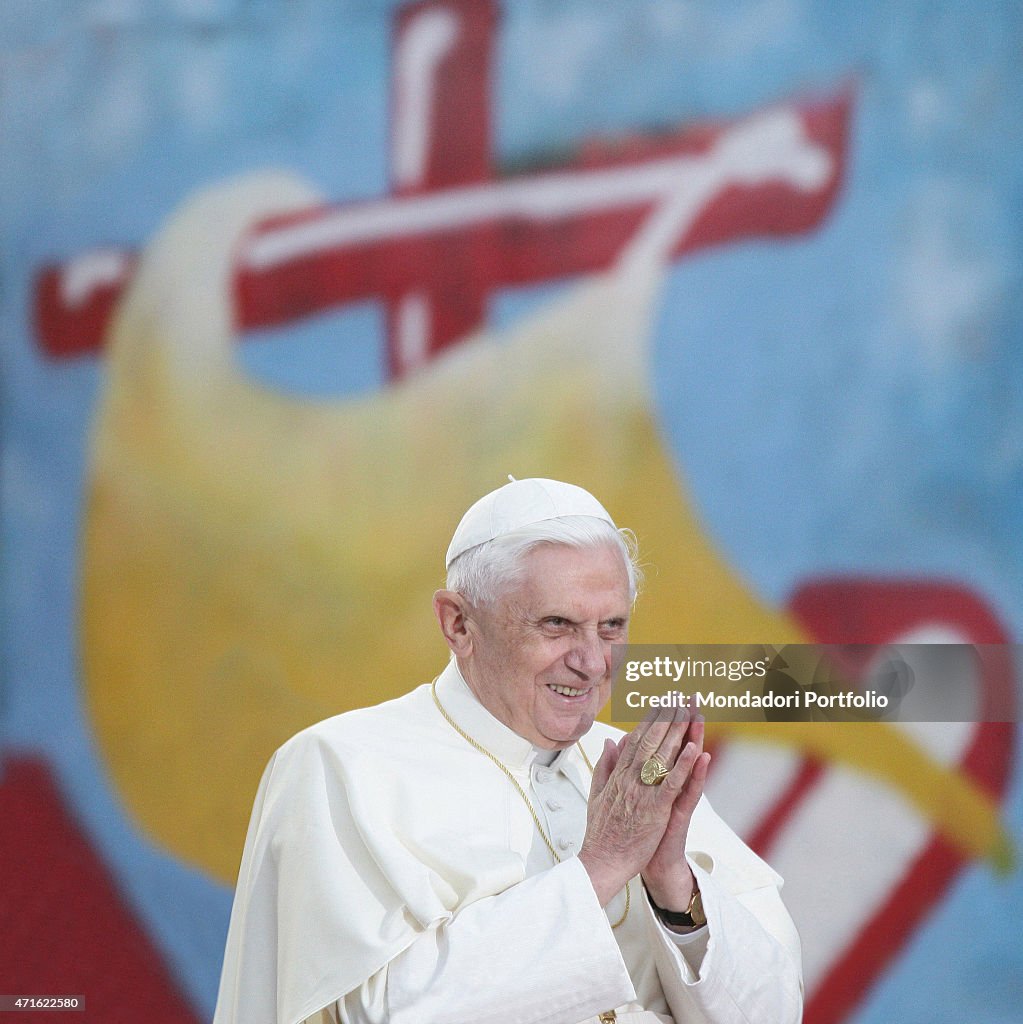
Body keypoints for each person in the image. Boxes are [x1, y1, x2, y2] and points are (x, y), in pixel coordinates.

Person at [213, 478, 803, 1024]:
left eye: (612, 627)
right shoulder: (340, 765)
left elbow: (772, 1012)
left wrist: (672, 882)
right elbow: (382, 1013)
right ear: (459, 625)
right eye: (557, 625)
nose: (592, 662)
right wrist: (602, 866)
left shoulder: (633, 769)